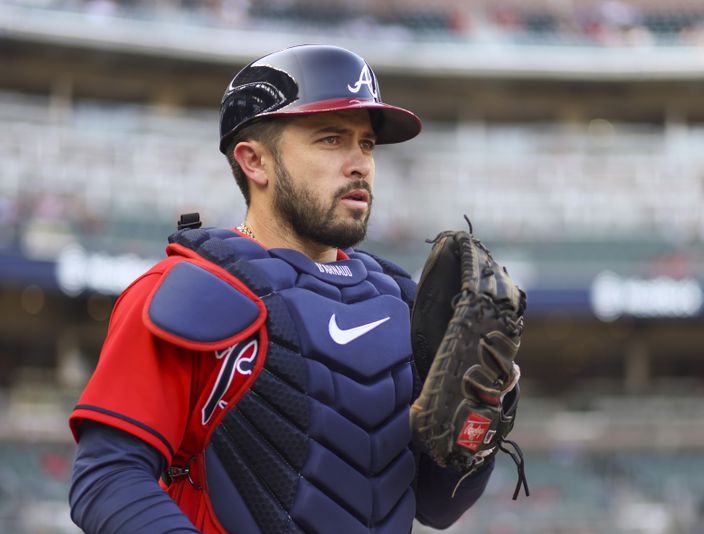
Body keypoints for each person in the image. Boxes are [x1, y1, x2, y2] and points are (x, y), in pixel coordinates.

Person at [68, 44, 522, 533]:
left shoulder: (403, 302)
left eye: (367, 144)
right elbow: (107, 479)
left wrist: (485, 411)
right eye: (331, 140)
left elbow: (437, 507)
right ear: (254, 162)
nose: (360, 165)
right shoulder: (191, 293)